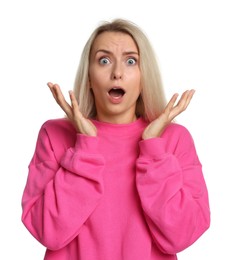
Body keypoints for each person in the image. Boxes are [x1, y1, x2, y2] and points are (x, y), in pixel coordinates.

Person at [21, 18, 210, 260]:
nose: (117, 73)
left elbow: (182, 235)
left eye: (131, 61)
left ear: (143, 77)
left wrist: (153, 149)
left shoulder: (173, 139)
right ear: (89, 77)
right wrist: (85, 149)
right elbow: (47, 232)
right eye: (104, 60)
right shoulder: (54, 135)